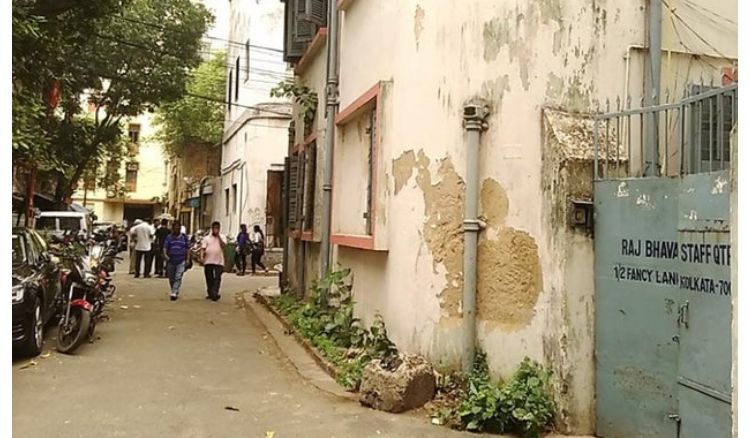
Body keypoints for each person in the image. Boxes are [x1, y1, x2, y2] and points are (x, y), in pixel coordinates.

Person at [163, 220, 191, 301]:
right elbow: (165, 247)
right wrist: (165, 256)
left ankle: (174, 292)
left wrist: (188, 259)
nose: (176, 230)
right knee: (171, 278)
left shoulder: (184, 237)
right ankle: (174, 289)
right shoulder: (169, 237)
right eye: (175, 228)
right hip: (171, 260)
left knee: (178, 276)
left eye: (178, 228)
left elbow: (188, 249)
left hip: (181, 260)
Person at [200, 221, 226, 301]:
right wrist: (201, 257)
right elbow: (203, 248)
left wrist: (218, 237)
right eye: (214, 228)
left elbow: (224, 246)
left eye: (217, 228)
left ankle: (215, 292)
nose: (216, 229)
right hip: (208, 261)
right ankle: (211, 292)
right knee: (209, 278)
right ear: (212, 228)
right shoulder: (207, 238)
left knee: (217, 277)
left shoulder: (222, 237)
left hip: (219, 261)